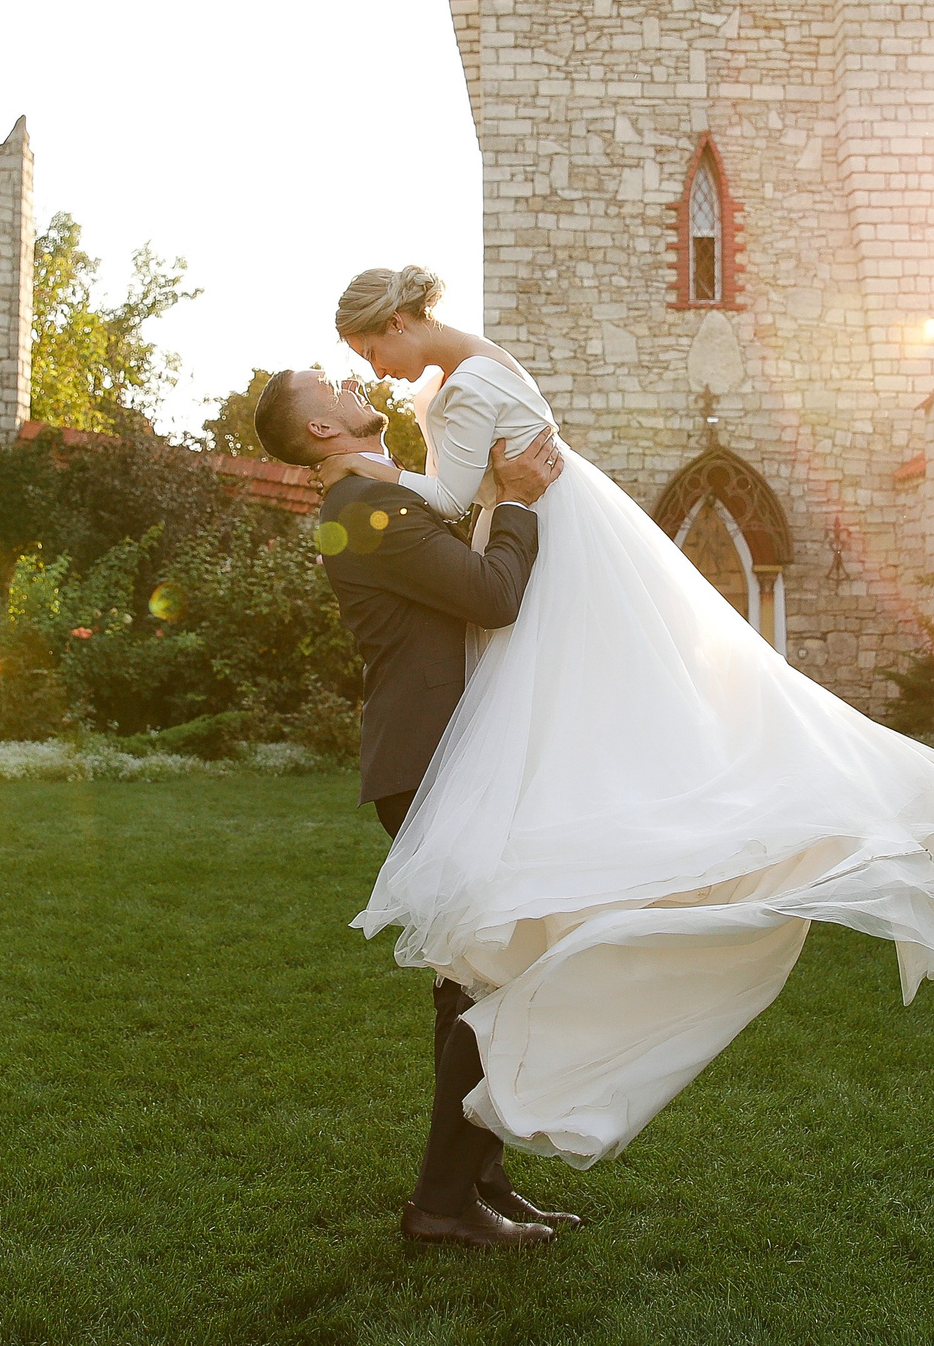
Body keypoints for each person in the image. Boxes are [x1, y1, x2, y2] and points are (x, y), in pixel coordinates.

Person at [297, 265, 934, 1174]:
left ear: (400, 321)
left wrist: (424, 477)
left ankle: (463, 1181)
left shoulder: (460, 392)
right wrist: (437, 484)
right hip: (498, 613)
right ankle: (460, 1181)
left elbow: (448, 508)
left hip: (523, 574)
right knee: (481, 960)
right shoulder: (451, 391)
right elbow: (456, 517)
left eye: (370, 349)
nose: (375, 369)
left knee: (482, 957)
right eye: (354, 366)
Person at [252, 368, 577, 1248]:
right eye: (338, 386)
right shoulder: (363, 506)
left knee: (469, 976)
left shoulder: (374, 499)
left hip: (434, 756)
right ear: (322, 428)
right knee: (490, 972)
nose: (359, 385)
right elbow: (492, 595)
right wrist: (519, 502)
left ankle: (477, 1180)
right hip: (432, 761)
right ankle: (441, 1203)